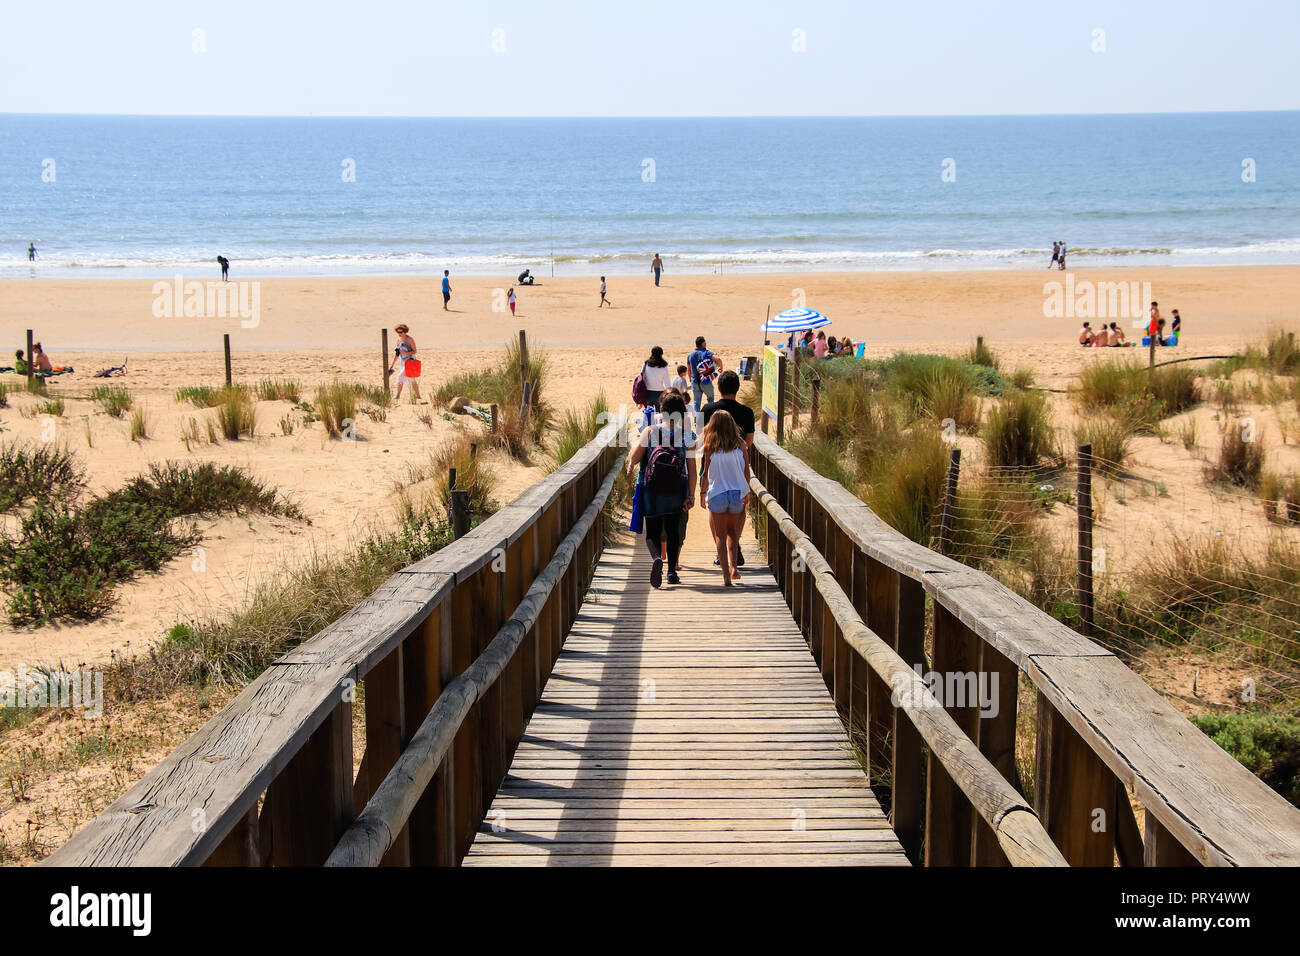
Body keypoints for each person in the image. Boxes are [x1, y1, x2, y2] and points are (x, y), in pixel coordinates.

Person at [625, 391, 696, 588]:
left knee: (652, 532)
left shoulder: (650, 431)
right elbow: (692, 468)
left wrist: (631, 464)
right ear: (682, 414)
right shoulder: (688, 436)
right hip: (677, 489)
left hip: (652, 489)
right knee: (673, 530)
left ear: (661, 412)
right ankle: (672, 572)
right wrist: (691, 494)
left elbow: (636, 457)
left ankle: (657, 558)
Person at [700, 370, 756, 567]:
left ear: (719, 388)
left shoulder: (707, 409)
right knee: (738, 510)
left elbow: (700, 436)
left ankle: (720, 551)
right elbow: (749, 441)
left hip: (711, 461)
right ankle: (735, 545)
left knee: (714, 507)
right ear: (737, 388)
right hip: (737, 464)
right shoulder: (747, 412)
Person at [699, 410, 749, 586]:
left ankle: (726, 576)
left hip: (717, 493)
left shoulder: (710, 446)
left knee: (719, 536)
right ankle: (734, 567)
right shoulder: (741, 445)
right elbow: (746, 471)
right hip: (736, 493)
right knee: (733, 534)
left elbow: (705, 474)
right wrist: (746, 491)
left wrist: (702, 493)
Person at [388, 323, 422, 402]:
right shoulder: (398, 341)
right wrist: (392, 365)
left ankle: (416, 396)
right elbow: (397, 354)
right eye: (398, 332)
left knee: (409, 378)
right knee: (405, 378)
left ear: (405, 332)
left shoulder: (410, 339)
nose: (399, 334)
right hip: (403, 362)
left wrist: (405, 353)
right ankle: (399, 396)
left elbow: (415, 351)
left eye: (401, 332)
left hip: (410, 361)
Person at [687, 335, 718, 411]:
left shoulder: (690, 355)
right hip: (706, 381)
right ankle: (708, 419)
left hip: (695, 381)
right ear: (703, 343)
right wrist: (721, 367)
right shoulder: (706, 352)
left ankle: (698, 422)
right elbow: (717, 359)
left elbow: (689, 369)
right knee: (710, 400)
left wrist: (691, 380)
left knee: (696, 403)